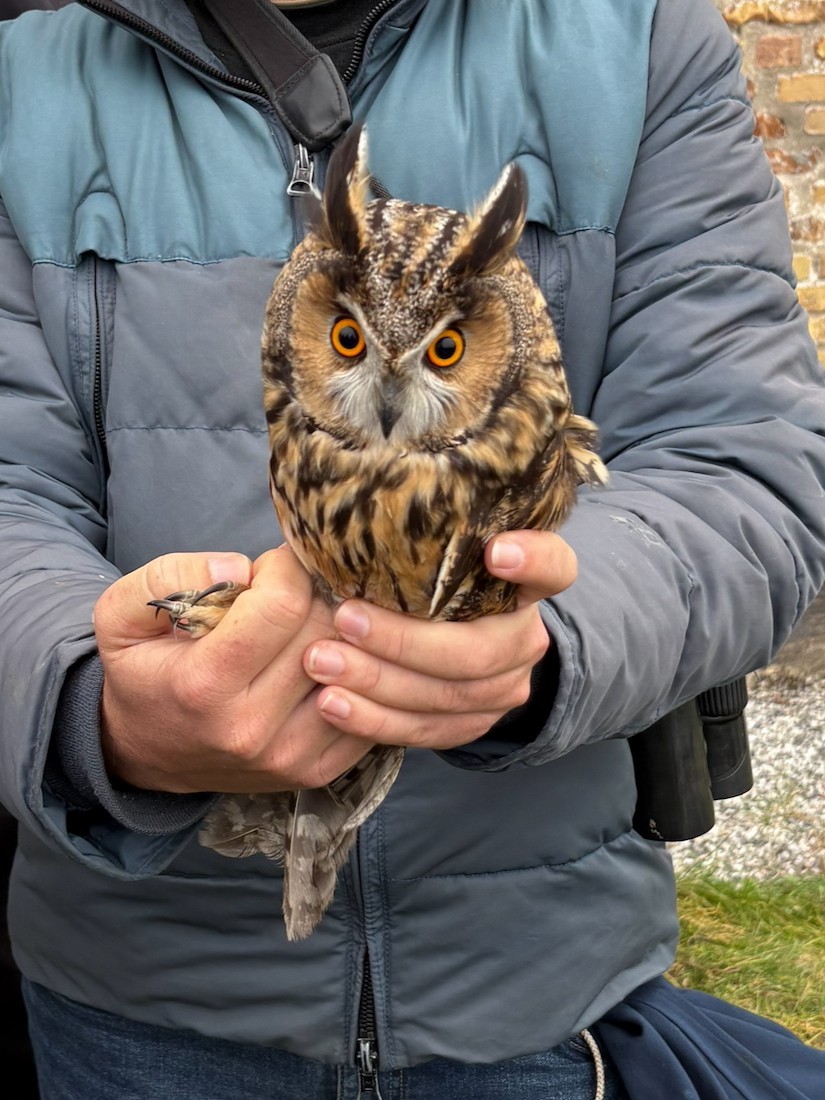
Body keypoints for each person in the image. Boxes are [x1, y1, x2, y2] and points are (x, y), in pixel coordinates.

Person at [0, 1, 824, 1098]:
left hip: (527, 996)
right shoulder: (25, 79)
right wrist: (87, 698)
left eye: (440, 349)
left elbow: (744, 465)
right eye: (347, 341)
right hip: (139, 1001)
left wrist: (541, 638)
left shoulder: (632, 38)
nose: (388, 384)